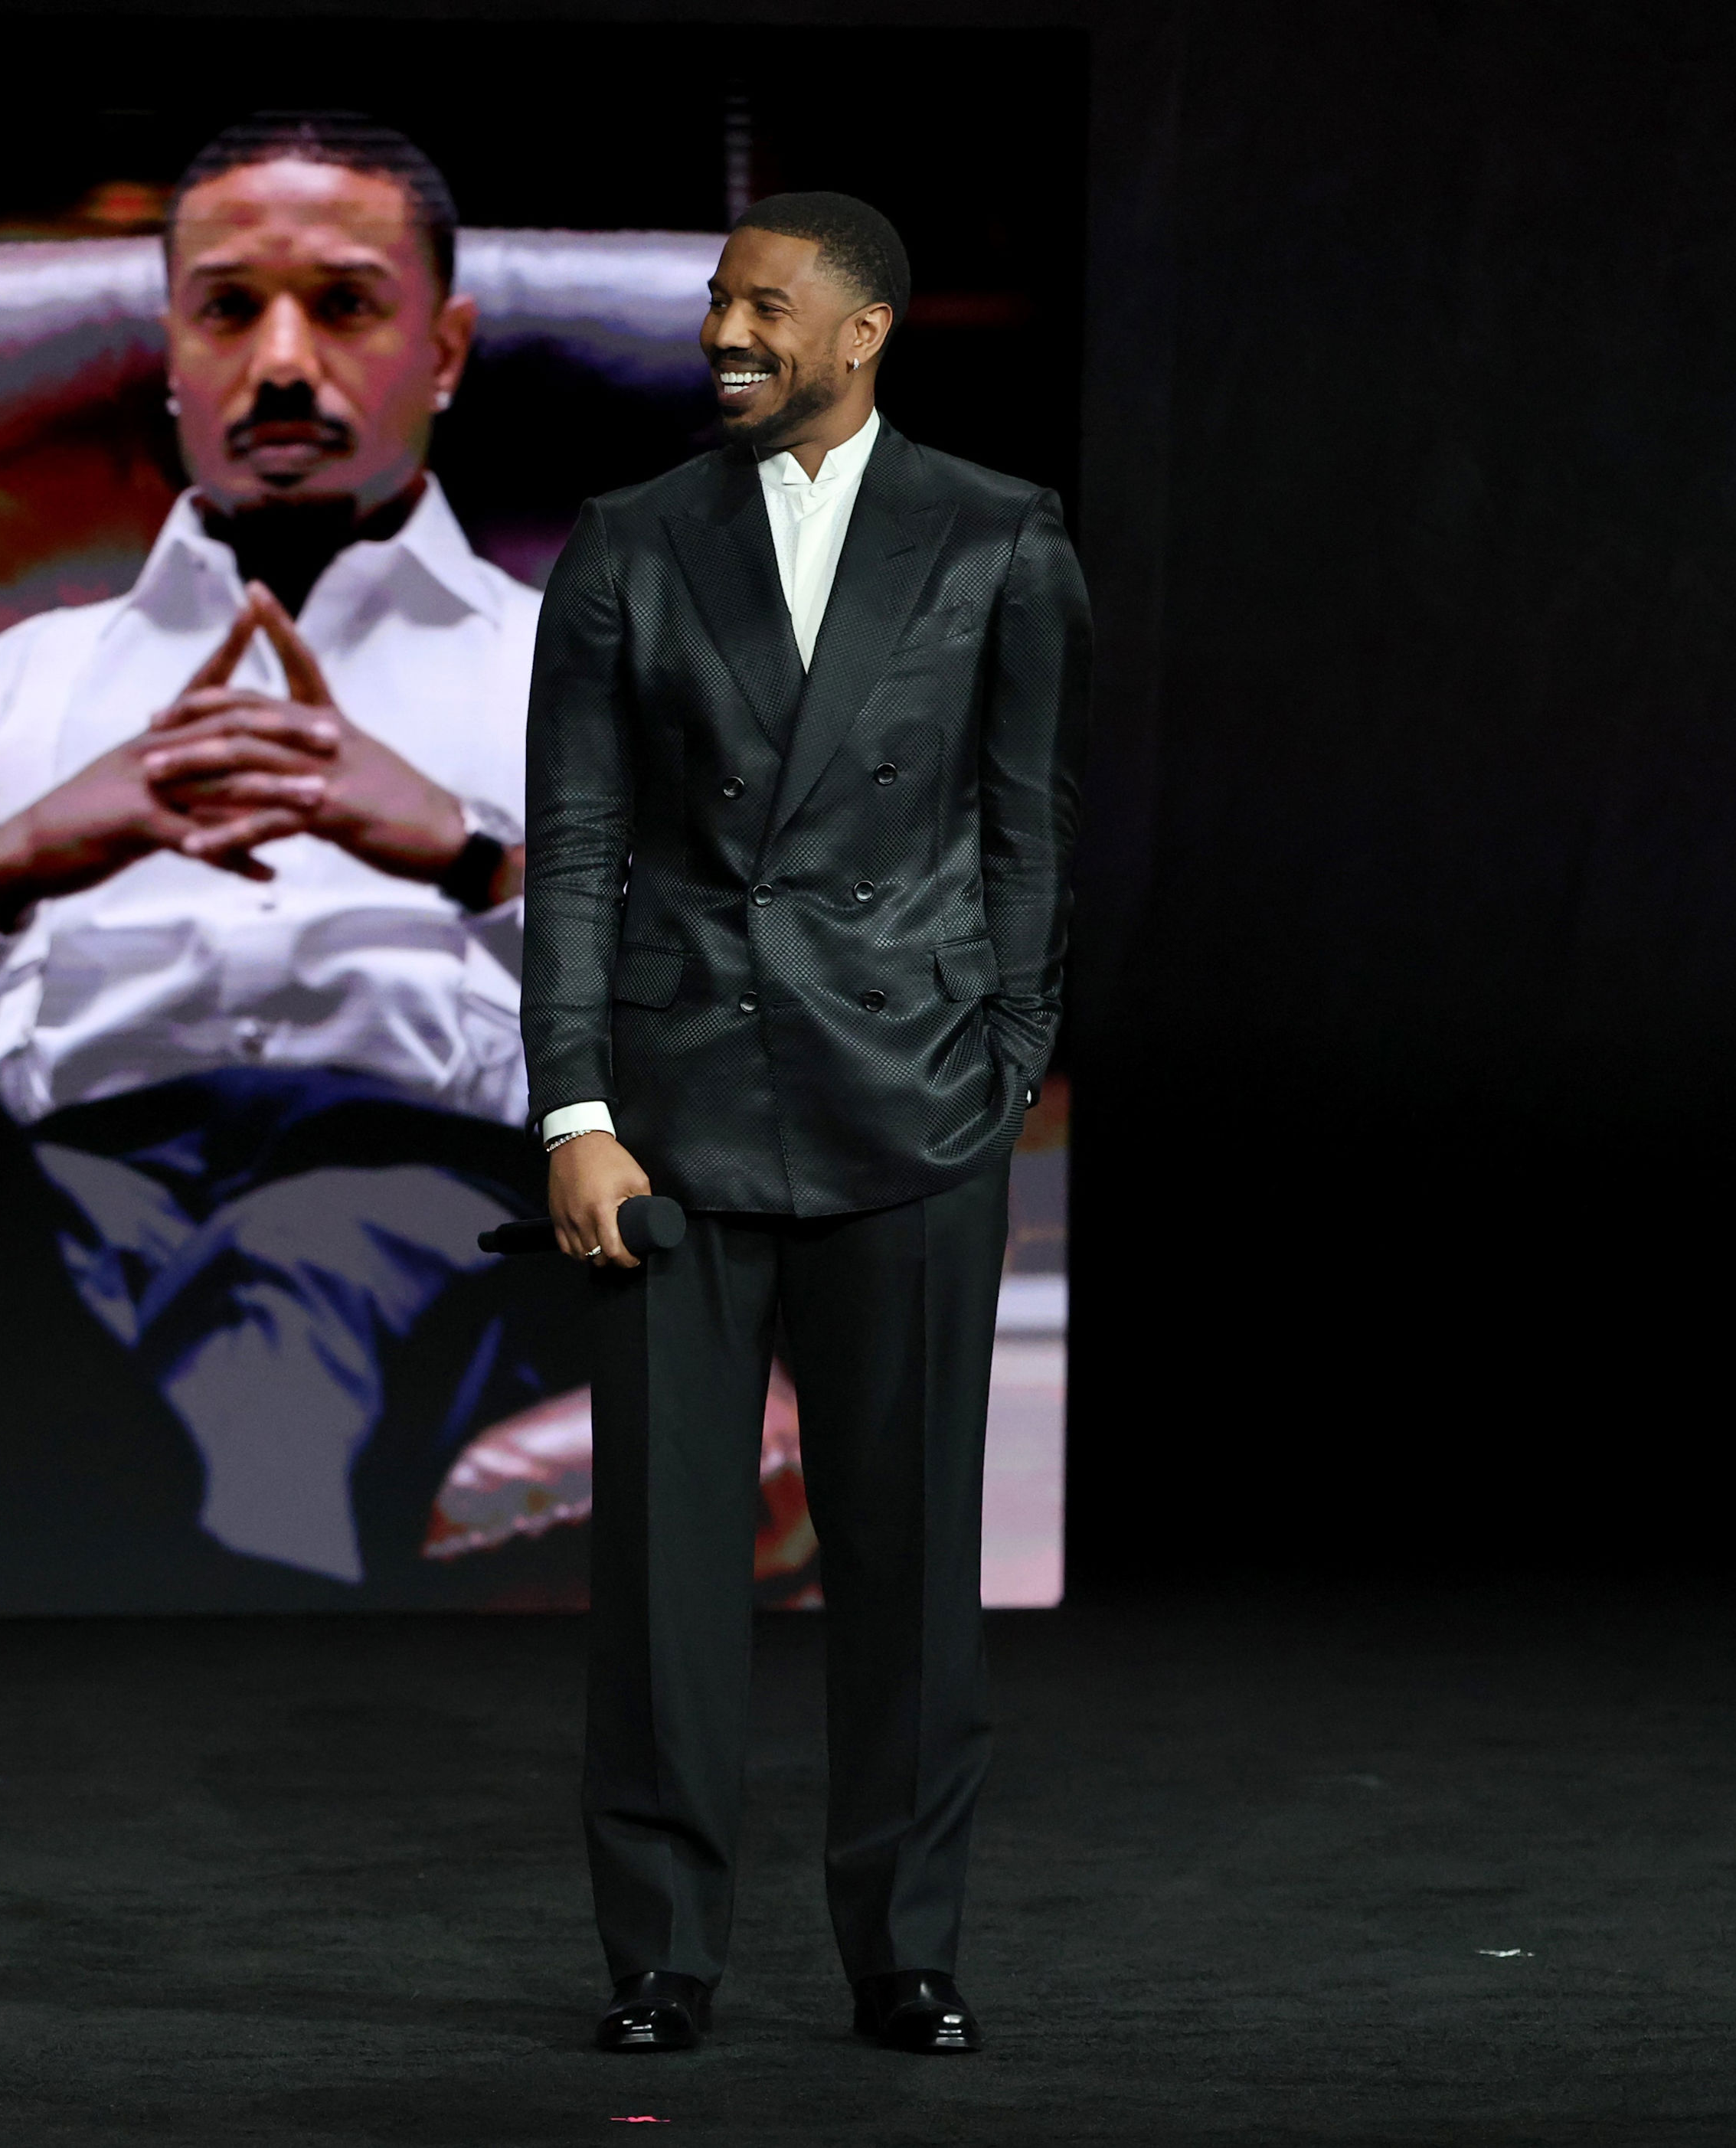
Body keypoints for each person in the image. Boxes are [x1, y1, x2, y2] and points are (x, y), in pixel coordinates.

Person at [0, 113, 583, 1610]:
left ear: (445, 350)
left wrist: (472, 857)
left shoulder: (583, 684)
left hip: (424, 1178)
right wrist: (5, 871)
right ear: (171, 355)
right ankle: (195, 1586)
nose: (282, 361)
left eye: (345, 306)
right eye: (228, 310)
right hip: (60, 1173)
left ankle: (94, 1539)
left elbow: (747, 1005)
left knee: (291, 1255)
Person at [524, 192, 1088, 2057]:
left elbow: (1029, 828)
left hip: (908, 1105)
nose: (724, 332)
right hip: (672, 1116)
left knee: (911, 1568)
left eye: (764, 305)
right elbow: (576, 847)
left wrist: (1003, 1060)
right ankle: (659, 1954)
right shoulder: (629, 539)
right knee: (664, 1575)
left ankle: (905, 1948)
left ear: (863, 331)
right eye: (716, 302)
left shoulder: (998, 535)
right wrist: (575, 1108)